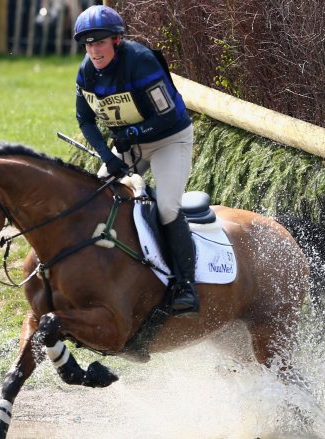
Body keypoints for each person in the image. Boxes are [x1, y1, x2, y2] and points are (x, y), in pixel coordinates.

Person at [73, 5, 199, 316]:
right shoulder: (87, 71)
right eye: (88, 44)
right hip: (129, 145)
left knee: (168, 207)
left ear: (116, 41)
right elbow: (85, 120)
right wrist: (108, 157)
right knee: (96, 200)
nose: (94, 50)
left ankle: (185, 286)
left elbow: (167, 114)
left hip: (170, 140)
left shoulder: (141, 62)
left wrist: (133, 131)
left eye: (100, 42)